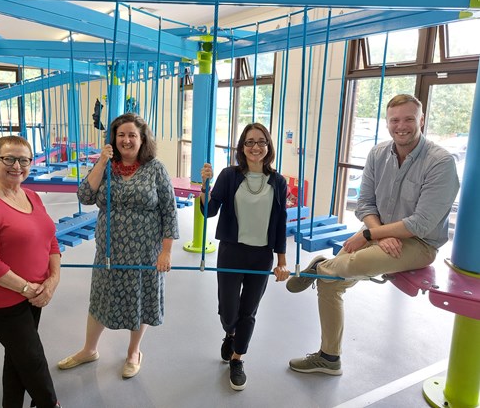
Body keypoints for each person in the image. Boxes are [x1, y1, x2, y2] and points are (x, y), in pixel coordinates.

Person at [286, 94, 460, 375]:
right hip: (379, 231)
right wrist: (376, 234)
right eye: (394, 120)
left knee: (343, 266)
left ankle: (320, 265)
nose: (401, 126)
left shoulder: (440, 162)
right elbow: (365, 203)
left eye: (408, 119)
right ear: (387, 122)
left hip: (418, 243)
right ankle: (329, 358)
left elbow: (421, 223)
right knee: (330, 284)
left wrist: (369, 236)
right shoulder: (378, 154)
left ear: (422, 120)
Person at [58, 113, 179, 378]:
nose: (126, 140)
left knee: (142, 300)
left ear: (142, 138)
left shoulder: (155, 168)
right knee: (101, 298)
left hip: (146, 251)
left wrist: (166, 251)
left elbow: (169, 211)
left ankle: (134, 351)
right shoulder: (107, 166)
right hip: (109, 250)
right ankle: (89, 349)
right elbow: (85, 196)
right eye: (121, 135)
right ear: (113, 138)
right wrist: (101, 161)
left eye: (132, 135)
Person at [0, 136, 62, 408]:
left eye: (24, 160)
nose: (17, 165)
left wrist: (52, 280)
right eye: (9, 159)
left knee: (18, 357)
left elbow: (50, 240)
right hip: (0, 298)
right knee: (32, 359)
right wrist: (28, 288)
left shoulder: (31, 196)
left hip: (34, 294)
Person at [200, 123, 290, 391]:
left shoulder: (278, 181)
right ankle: (230, 332)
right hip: (231, 251)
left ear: (268, 146)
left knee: (248, 312)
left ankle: (238, 358)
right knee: (229, 312)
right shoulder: (229, 176)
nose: (255, 147)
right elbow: (210, 211)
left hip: (261, 256)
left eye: (261, 141)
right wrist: (205, 188)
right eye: (249, 142)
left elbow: (281, 223)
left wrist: (282, 260)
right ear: (242, 147)